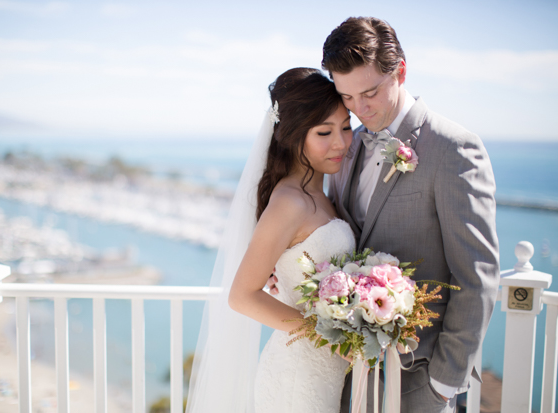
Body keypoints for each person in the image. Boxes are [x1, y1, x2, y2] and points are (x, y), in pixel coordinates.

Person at [268, 16, 500, 413]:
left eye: (370, 92)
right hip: (345, 373)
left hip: (417, 377)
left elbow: (477, 276)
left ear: (401, 72)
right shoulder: (348, 144)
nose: (360, 108)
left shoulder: (454, 149)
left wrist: (442, 385)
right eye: (347, 97)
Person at [186, 67, 355, 413]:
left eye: (346, 127)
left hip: (326, 372)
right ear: (293, 136)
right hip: (297, 376)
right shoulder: (290, 201)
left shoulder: (319, 191)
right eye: (325, 132)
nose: (341, 142)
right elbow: (242, 295)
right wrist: (324, 332)